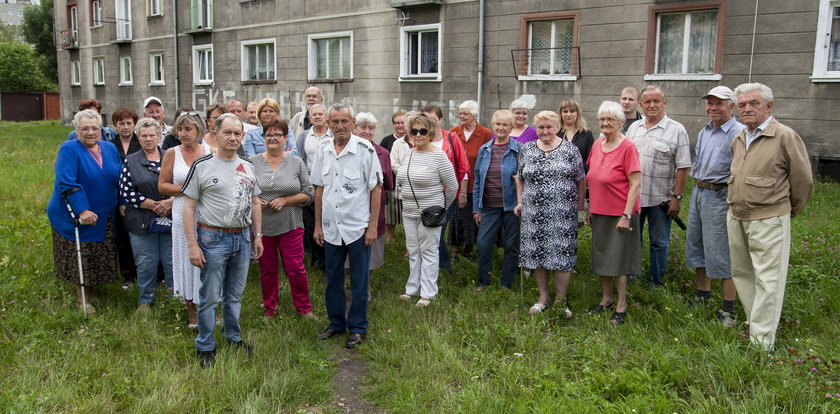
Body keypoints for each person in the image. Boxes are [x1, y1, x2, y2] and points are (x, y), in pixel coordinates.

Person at [728, 83, 813, 351]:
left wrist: (786, 212)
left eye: (754, 103)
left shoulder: (784, 136)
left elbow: (803, 181)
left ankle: (762, 342)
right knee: (742, 273)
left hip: (768, 217)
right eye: (742, 105)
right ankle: (756, 325)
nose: (747, 109)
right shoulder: (740, 137)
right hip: (737, 215)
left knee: (768, 278)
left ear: (769, 106)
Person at [182, 113, 263, 368]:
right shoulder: (203, 165)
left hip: (242, 238)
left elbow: (255, 202)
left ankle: (233, 336)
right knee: (209, 296)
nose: (232, 137)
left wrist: (257, 236)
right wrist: (193, 245)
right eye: (227, 132)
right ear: (215, 134)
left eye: (237, 133)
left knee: (235, 294)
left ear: (242, 137)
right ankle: (205, 345)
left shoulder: (248, 166)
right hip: (212, 238)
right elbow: (188, 207)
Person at [311, 103, 382, 349]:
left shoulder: (365, 150)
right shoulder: (323, 150)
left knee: (360, 280)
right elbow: (319, 189)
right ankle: (336, 323)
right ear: (328, 124)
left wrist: (372, 226)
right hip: (331, 228)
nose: (340, 126)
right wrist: (318, 225)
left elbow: (376, 190)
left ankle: (358, 327)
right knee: (333, 278)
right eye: (335, 121)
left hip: (357, 227)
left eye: (344, 121)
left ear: (352, 123)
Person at [47, 109, 123, 314]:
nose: (90, 132)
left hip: (105, 211)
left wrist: (123, 202)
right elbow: (66, 182)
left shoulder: (109, 148)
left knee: (98, 250)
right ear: (76, 130)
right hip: (75, 213)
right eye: (85, 128)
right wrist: (82, 210)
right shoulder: (69, 149)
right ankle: (81, 297)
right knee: (81, 252)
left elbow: (120, 177)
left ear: (101, 129)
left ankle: (92, 290)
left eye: (94, 128)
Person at [514, 111, 586, 316]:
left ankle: (561, 301)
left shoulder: (570, 150)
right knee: (537, 255)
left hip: (563, 215)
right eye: (541, 127)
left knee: (562, 255)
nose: (544, 131)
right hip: (533, 214)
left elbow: (581, 180)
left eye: (549, 127)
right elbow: (520, 178)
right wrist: (520, 202)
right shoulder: (526, 149)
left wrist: (580, 212)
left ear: (557, 127)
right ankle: (543, 297)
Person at [685, 86, 745, 327]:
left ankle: (728, 309)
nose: (713, 107)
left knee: (720, 250)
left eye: (719, 103)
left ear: (731, 105)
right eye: (709, 103)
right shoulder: (705, 131)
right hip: (699, 192)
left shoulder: (739, 132)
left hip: (720, 195)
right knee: (696, 244)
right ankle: (702, 293)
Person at [625, 85, 690, 286]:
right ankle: (631, 275)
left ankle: (655, 280)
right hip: (635, 198)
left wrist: (677, 198)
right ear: (641, 104)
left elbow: (683, 167)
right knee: (633, 241)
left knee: (659, 242)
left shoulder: (677, 130)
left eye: (656, 101)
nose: (652, 105)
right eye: (647, 101)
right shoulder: (634, 128)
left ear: (665, 103)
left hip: (660, 199)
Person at [250, 119, 315, 319]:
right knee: (267, 269)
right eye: (268, 135)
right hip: (262, 225)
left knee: (295, 268)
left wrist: (286, 200)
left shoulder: (296, 162)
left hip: (290, 222)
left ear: (285, 138)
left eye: (277, 134)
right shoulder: (252, 162)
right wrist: (254, 200)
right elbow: (243, 189)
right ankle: (271, 309)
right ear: (263, 138)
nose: (272, 138)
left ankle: (304, 309)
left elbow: (309, 193)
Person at [586, 101, 642, 325]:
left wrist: (626, 215)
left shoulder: (628, 147)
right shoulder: (597, 145)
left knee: (619, 261)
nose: (606, 123)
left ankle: (621, 304)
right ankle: (606, 298)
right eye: (602, 119)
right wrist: (590, 207)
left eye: (610, 119)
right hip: (599, 211)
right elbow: (594, 178)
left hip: (621, 213)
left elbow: (636, 184)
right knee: (602, 257)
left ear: (621, 122)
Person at [396, 112, 458, 306]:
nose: (418, 135)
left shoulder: (439, 156)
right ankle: (412, 288)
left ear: (430, 131)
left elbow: (453, 187)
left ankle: (428, 292)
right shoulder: (408, 154)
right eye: (414, 131)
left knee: (429, 251)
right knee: (413, 250)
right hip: (409, 211)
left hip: (431, 212)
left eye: (423, 130)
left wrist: (441, 208)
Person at [159, 111, 212, 328]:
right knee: (188, 259)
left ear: (199, 130)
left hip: (208, 212)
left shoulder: (211, 151)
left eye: (188, 129)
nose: (183, 133)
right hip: (182, 211)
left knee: (210, 260)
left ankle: (210, 308)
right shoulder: (172, 153)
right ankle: (191, 309)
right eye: (180, 129)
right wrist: (189, 189)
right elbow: (162, 186)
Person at [118, 117, 174, 310]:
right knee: (146, 262)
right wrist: (152, 205)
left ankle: (173, 298)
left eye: (152, 135)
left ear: (159, 136)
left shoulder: (171, 156)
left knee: (171, 260)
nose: (148, 139)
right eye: (144, 135)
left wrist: (170, 202)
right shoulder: (131, 161)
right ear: (138, 137)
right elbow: (126, 191)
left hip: (171, 218)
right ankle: (146, 299)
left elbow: (185, 185)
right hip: (141, 220)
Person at [472, 110, 522, 291]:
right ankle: (483, 281)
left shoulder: (519, 149)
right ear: (493, 126)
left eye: (505, 125)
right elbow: (477, 180)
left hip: (511, 207)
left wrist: (521, 198)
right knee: (483, 244)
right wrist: (476, 208)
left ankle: (506, 283)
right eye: (498, 124)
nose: (501, 128)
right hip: (489, 206)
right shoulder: (484, 149)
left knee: (511, 245)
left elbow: (524, 178)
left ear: (511, 127)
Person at [421, 104, 469, 271]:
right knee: (427, 232)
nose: (431, 124)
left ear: (440, 120)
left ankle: (443, 267)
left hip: (447, 194)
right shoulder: (421, 138)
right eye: (426, 120)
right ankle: (430, 265)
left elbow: (463, 167)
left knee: (438, 233)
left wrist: (463, 193)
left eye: (434, 119)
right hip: (426, 193)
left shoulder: (451, 138)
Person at [353, 112, 395, 293]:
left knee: (368, 248)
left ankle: (365, 288)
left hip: (373, 206)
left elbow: (388, 184)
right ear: (354, 128)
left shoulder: (382, 153)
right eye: (363, 127)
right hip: (350, 208)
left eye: (371, 128)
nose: (367, 132)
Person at [448, 100, 492, 260]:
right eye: (460, 113)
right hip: (457, 184)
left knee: (473, 219)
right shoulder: (453, 133)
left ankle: (469, 249)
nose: (461, 116)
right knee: (457, 218)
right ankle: (454, 251)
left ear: (474, 115)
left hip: (477, 183)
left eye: (465, 113)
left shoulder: (485, 133)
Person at [294, 103, 331, 271]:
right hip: (310, 185)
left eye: (320, 114)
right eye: (314, 114)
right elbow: (300, 159)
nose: (317, 116)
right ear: (309, 118)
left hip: (330, 184)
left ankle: (329, 256)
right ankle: (316, 259)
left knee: (327, 220)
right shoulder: (303, 136)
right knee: (312, 223)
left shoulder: (332, 136)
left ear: (326, 117)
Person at [108, 107, 141, 289]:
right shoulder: (110, 145)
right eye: (121, 123)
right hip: (117, 196)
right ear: (115, 125)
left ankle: (142, 272)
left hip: (138, 195)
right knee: (121, 237)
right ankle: (127, 275)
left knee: (140, 236)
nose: (126, 127)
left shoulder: (141, 142)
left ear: (135, 124)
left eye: (129, 123)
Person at [379, 111, 406, 242]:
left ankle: (409, 241)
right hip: (391, 183)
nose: (400, 125)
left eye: (403, 122)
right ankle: (389, 240)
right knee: (390, 216)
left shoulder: (412, 139)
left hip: (407, 185)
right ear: (393, 125)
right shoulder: (386, 140)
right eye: (397, 123)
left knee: (407, 215)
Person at [557, 98, 595, 173]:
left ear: (578, 113)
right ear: (561, 114)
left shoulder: (587, 134)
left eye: (572, 111)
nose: (568, 114)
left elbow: (590, 161)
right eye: (565, 111)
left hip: (580, 179)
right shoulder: (556, 134)